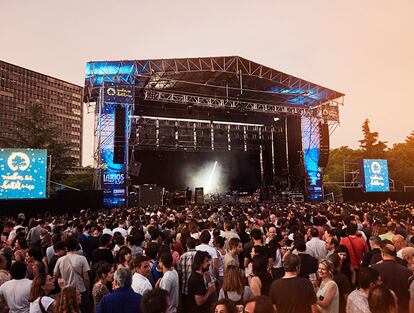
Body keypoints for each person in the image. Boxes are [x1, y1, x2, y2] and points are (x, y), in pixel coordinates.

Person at [372, 242, 412, 313]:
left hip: (381, 308)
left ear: (382, 253)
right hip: (403, 307)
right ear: (395, 254)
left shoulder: (374, 269)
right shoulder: (406, 271)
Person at [53, 237, 90, 312]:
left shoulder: (60, 260)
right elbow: (86, 278)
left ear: (66, 247)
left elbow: (55, 276)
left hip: (66, 290)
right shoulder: (82, 259)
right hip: (80, 290)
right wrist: (87, 289)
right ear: (77, 246)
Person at [177, 237, 197, 310]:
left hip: (185, 289)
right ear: (196, 244)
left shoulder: (182, 257)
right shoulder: (199, 255)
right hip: (197, 290)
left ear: (186, 245)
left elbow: (179, 273)